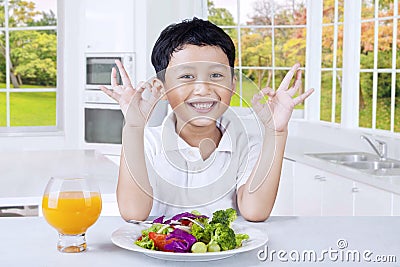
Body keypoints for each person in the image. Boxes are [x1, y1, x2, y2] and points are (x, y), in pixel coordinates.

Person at [100, 17, 314, 222]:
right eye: (186, 77)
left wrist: (276, 132)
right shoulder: (148, 142)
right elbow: (132, 213)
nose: (203, 89)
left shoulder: (247, 144)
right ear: (161, 88)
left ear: (232, 85)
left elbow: (255, 211)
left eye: (216, 75)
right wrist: (134, 128)